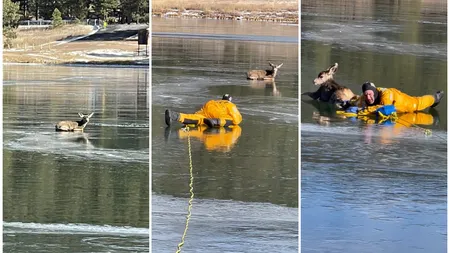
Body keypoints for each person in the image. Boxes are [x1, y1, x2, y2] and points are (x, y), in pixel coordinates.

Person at [347, 82, 443, 115]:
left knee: (418, 103)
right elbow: (358, 100)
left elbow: (384, 107)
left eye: (370, 94)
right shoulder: (365, 96)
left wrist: (365, 109)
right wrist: (348, 103)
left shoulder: (386, 94)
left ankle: (435, 98)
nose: (368, 97)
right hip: (392, 105)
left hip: (404, 103)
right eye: (366, 94)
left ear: (374, 92)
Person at [165, 94, 242, 128]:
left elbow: (201, 111)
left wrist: (196, 114)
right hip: (218, 116)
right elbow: (237, 118)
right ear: (230, 100)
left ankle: (174, 115)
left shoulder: (213, 102)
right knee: (231, 120)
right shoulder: (230, 104)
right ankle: (214, 122)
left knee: (198, 118)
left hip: (208, 109)